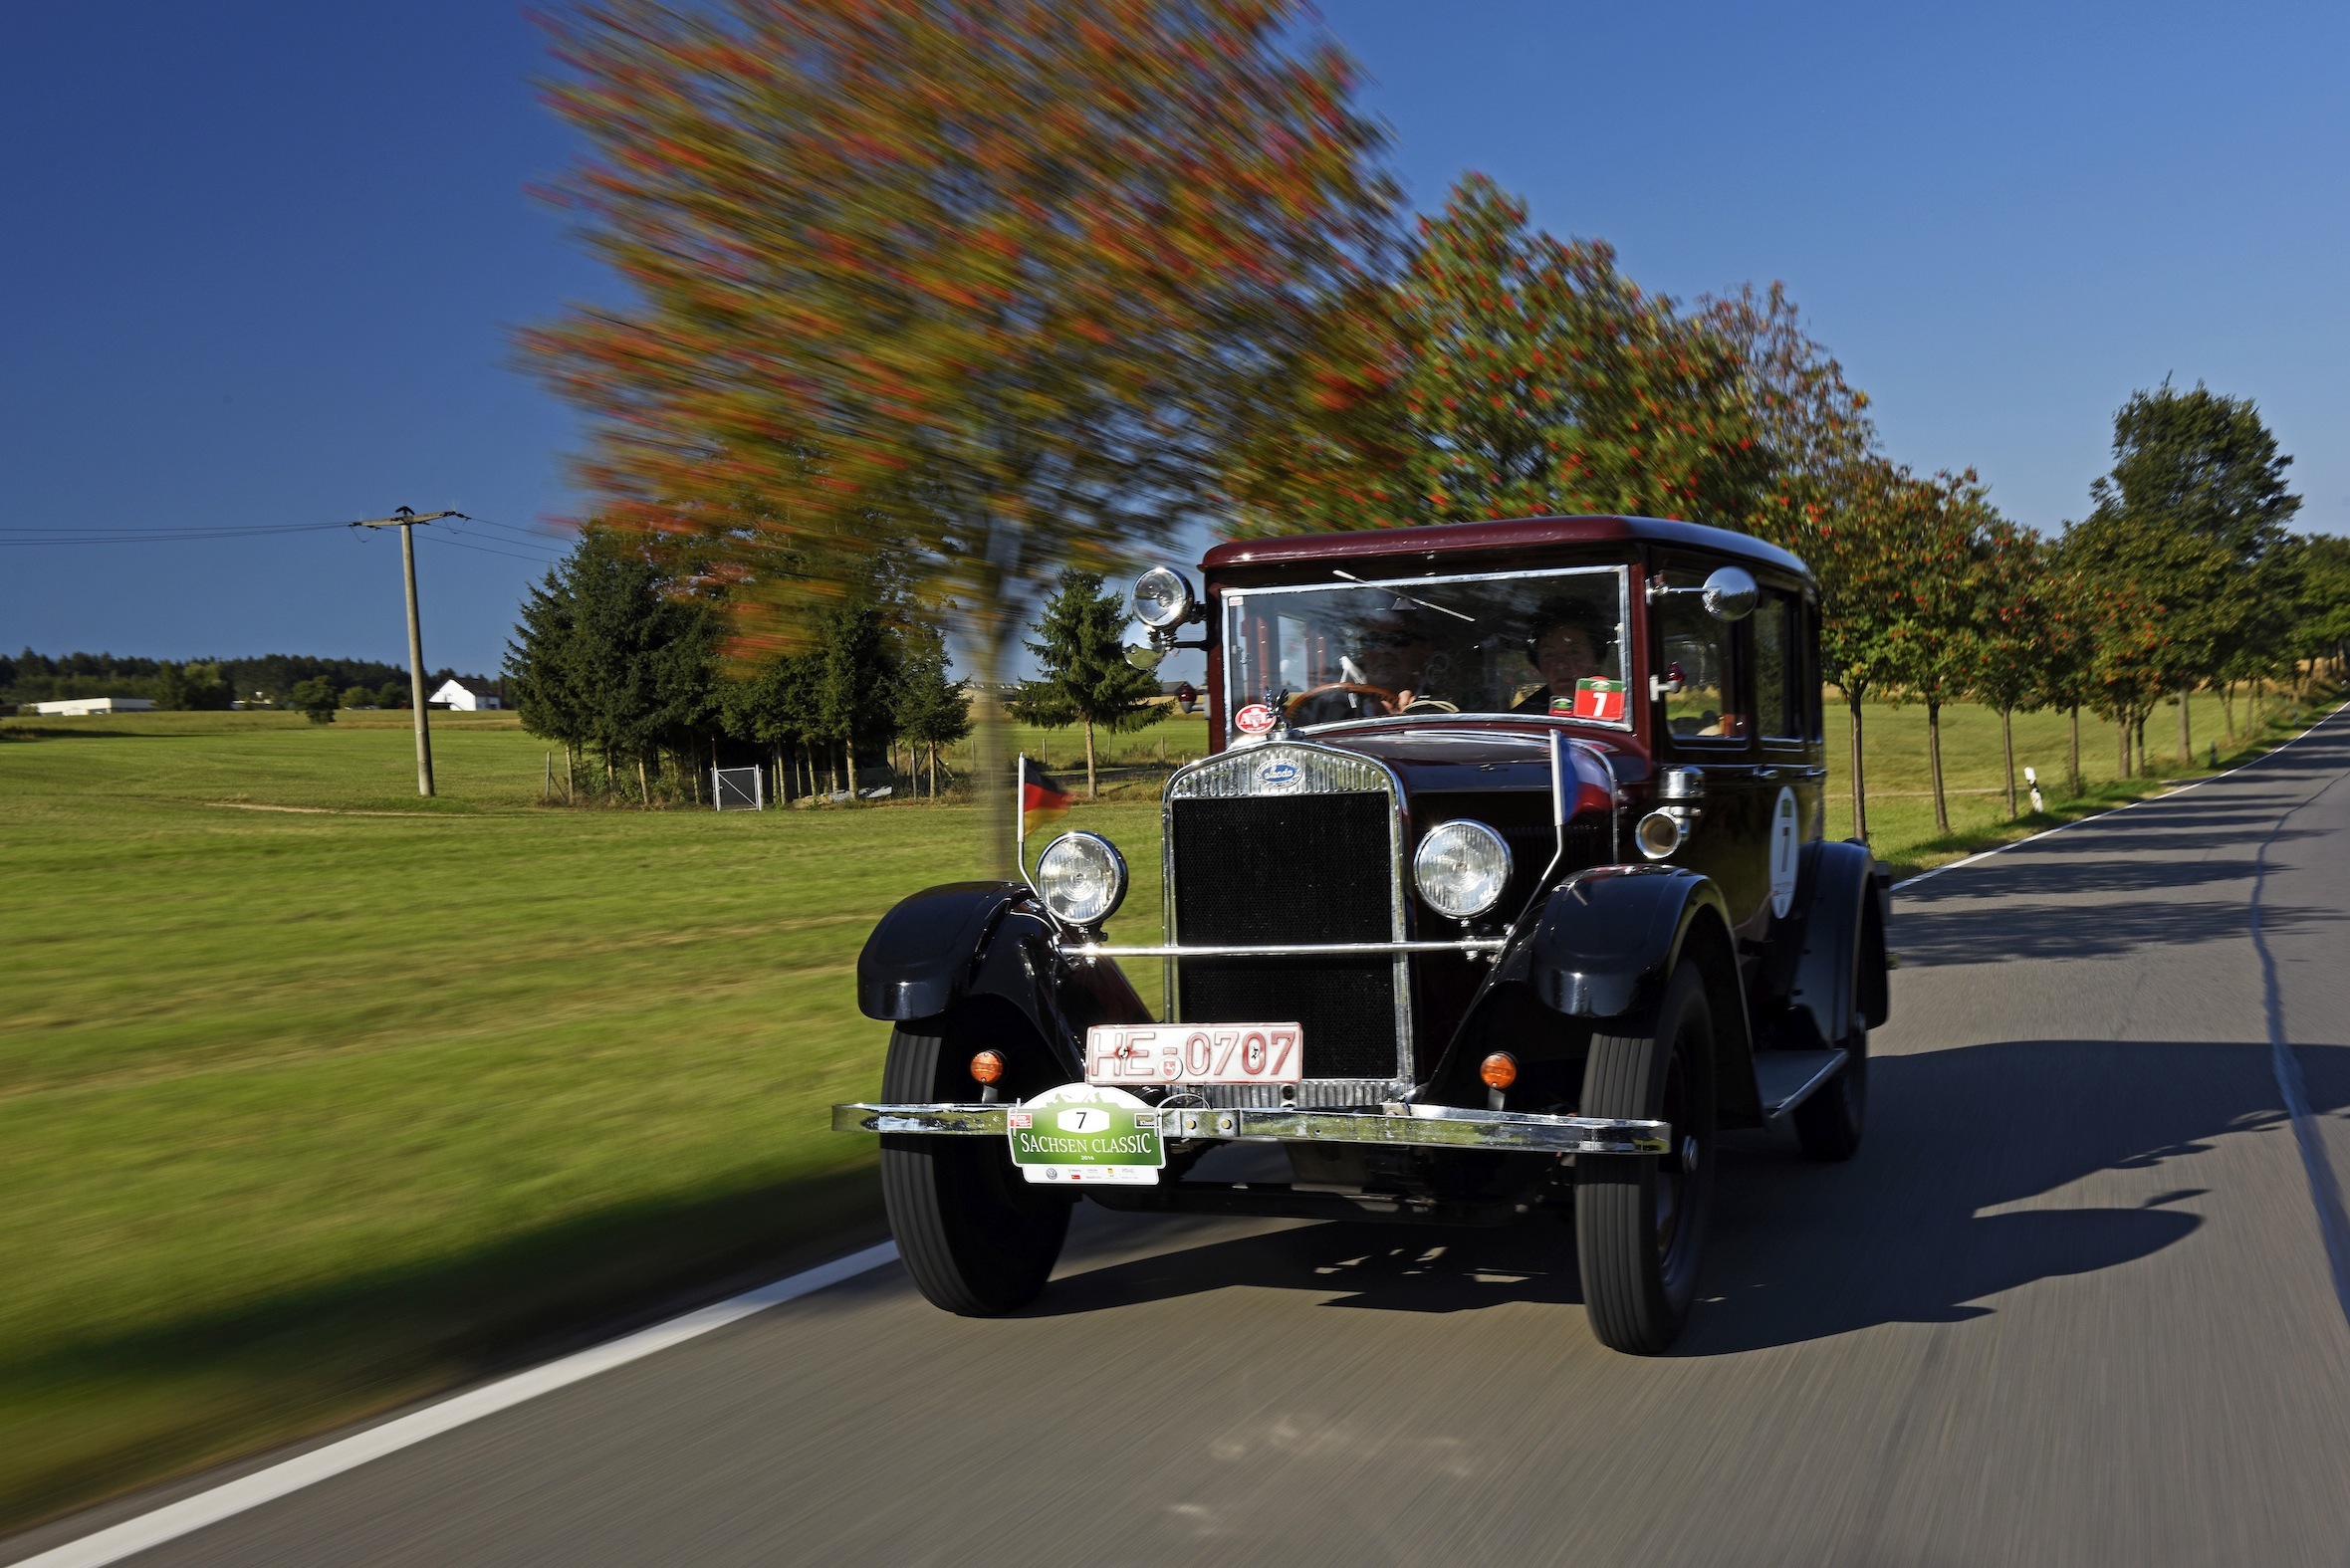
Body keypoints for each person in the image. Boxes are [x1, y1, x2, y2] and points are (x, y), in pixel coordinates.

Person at [1512, 604, 1609, 714]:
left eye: (1574, 652)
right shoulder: (1526, 719)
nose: (1561, 665)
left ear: (1598, 660)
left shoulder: (1626, 711)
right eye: (1549, 654)